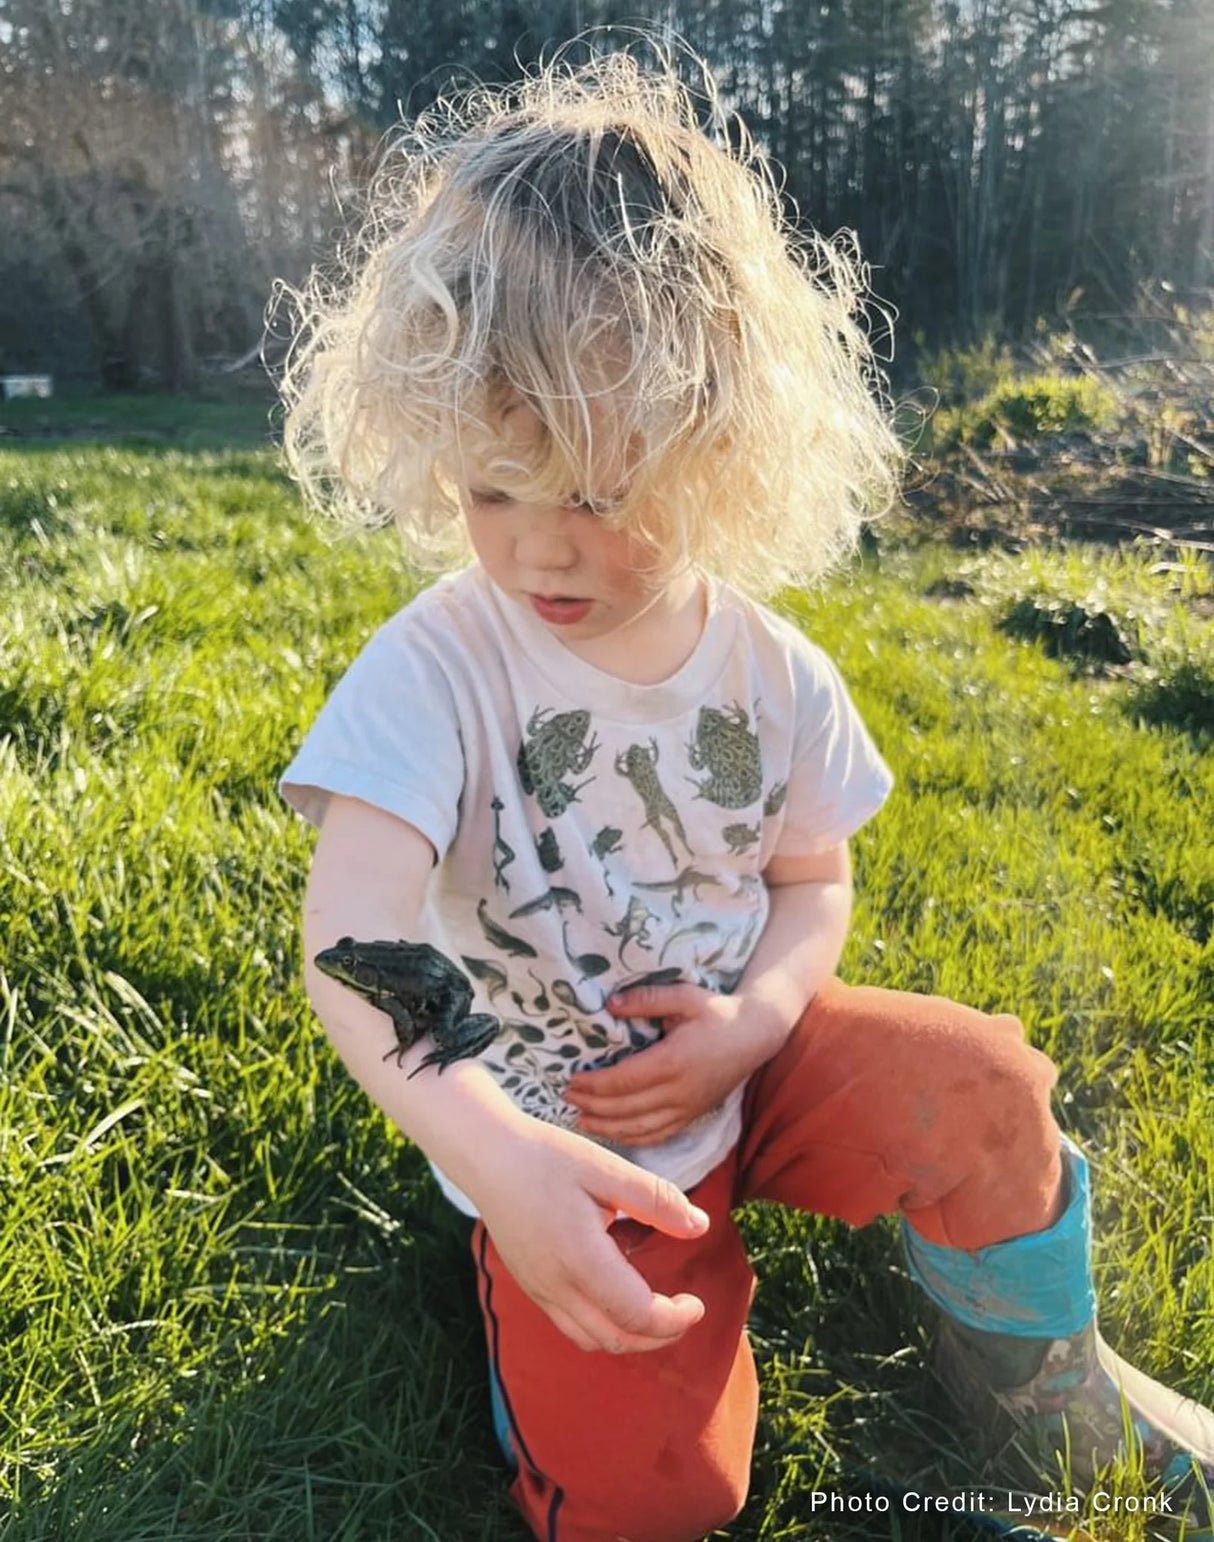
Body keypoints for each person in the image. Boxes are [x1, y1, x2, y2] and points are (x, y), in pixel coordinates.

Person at [274, 43, 1214, 1542]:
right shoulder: (433, 667)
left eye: (597, 491)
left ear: (717, 443)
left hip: (746, 1063)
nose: (539, 551)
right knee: (667, 1500)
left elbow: (808, 877)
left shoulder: (772, 672)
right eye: (489, 488)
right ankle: (537, 1348)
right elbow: (353, 936)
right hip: (558, 1133)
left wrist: (758, 1024)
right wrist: (502, 1161)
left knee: (985, 1084)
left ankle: (1044, 1383)